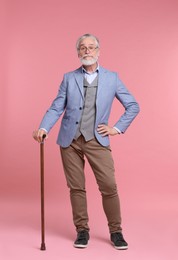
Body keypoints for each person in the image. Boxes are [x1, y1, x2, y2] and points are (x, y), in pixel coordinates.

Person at [33, 33, 140, 250]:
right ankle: (82, 230)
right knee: (76, 187)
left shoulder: (112, 78)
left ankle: (116, 231)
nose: (87, 51)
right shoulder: (68, 78)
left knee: (109, 186)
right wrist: (44, 127)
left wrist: (116, 128)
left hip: (97, 139)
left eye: (91, 47)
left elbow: (133, 106)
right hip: (69, 141)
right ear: (78, 52)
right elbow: (56, 107)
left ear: (98, 51)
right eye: (83, 48)